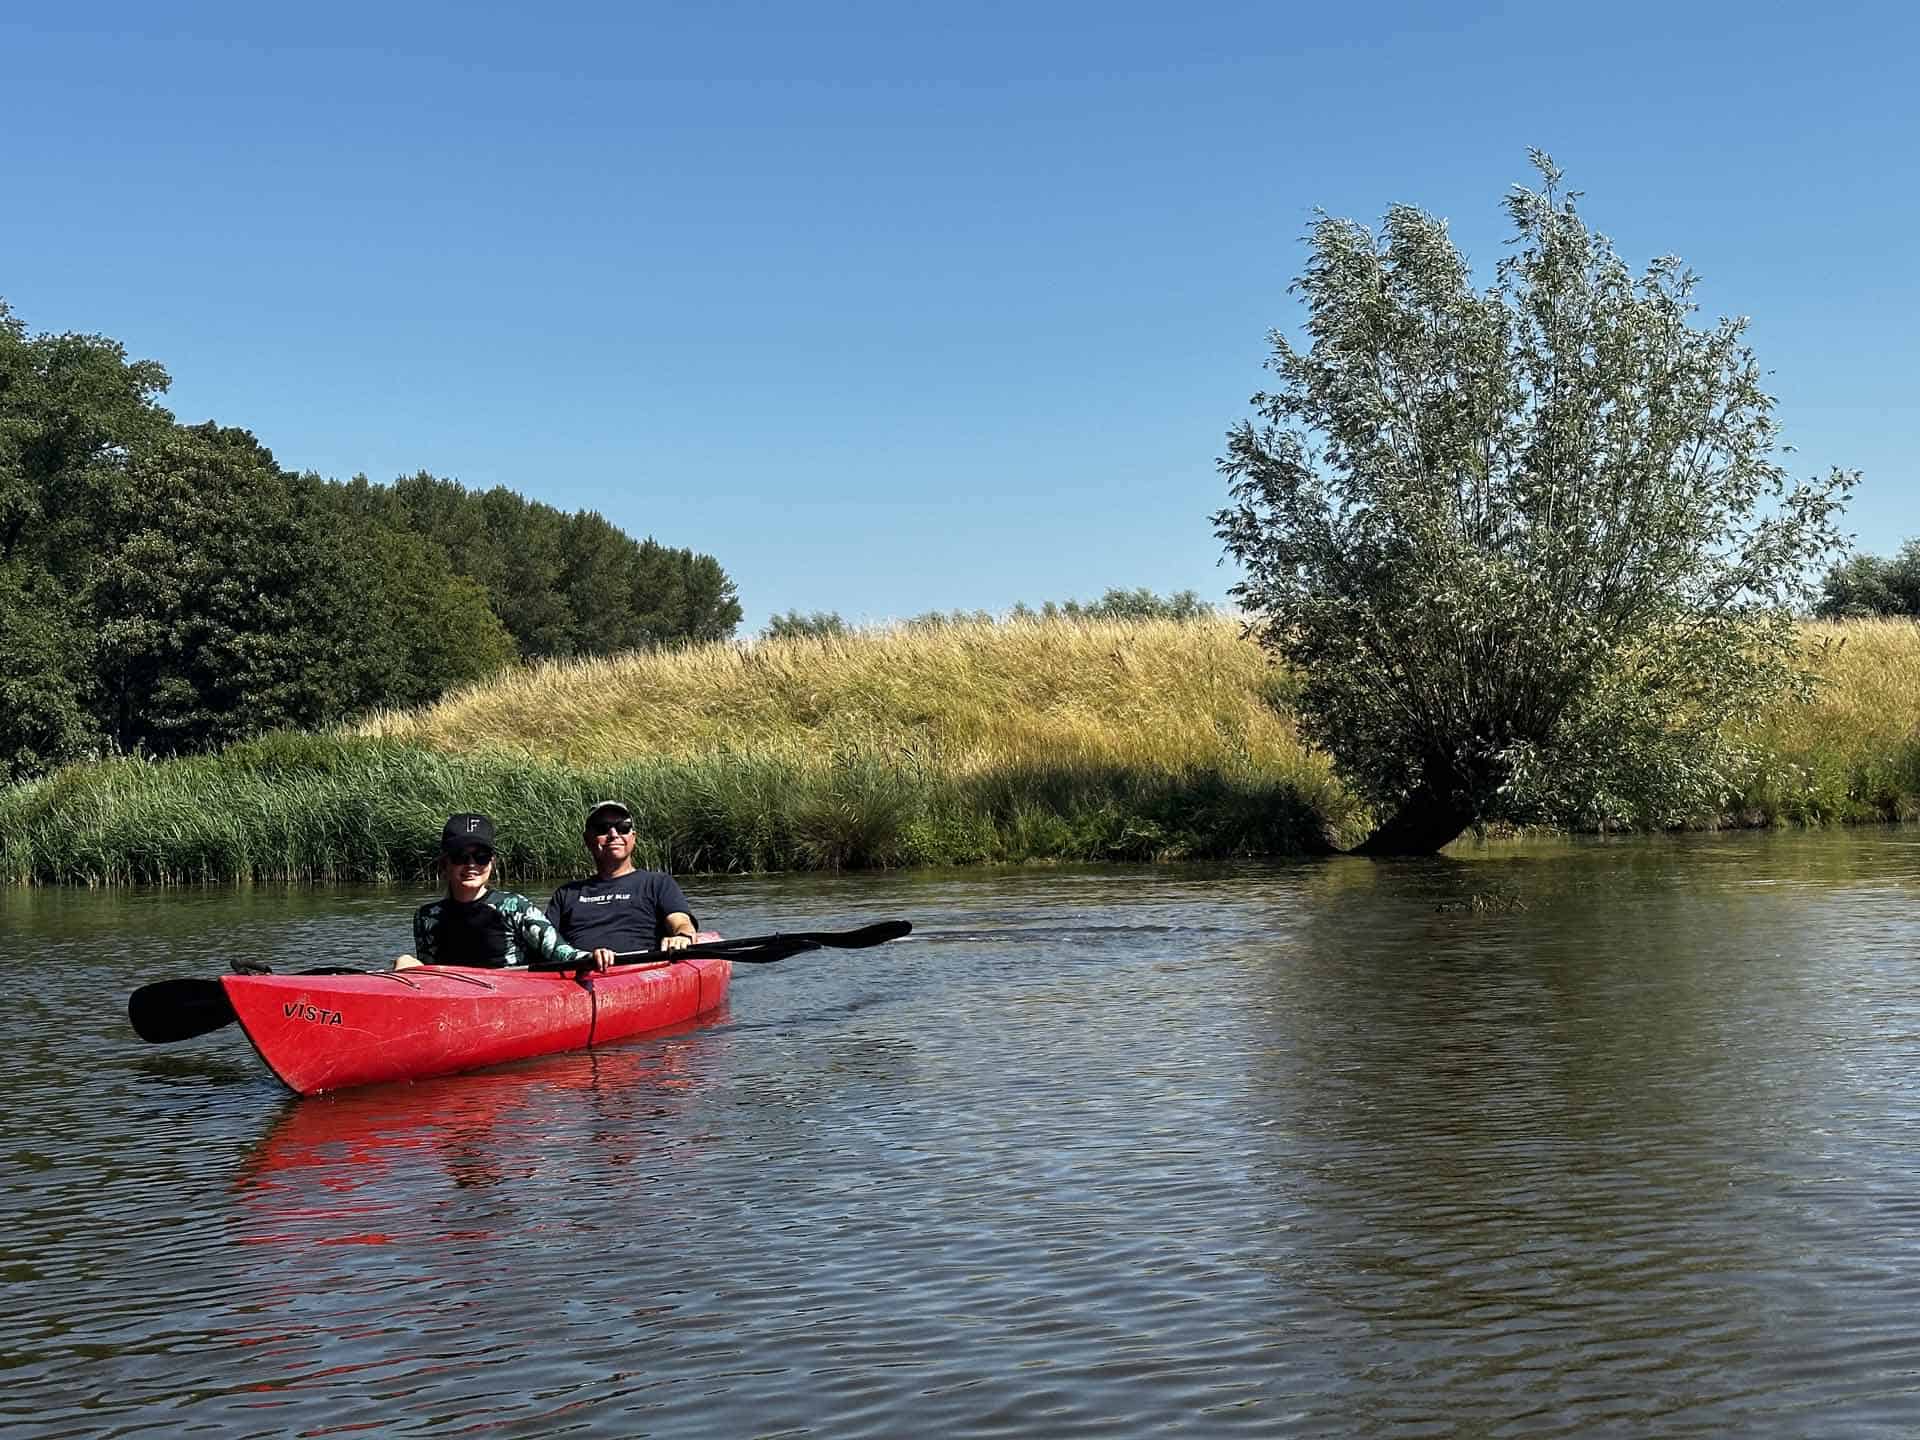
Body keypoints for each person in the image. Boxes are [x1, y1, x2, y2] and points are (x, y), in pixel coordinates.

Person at [395, 813, 617, 971]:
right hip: (452, 995)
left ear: (492, 863)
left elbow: (559, 952)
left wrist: (593, 956)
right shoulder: (426, 917)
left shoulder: (515, 906)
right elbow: (427, 974)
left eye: (481, 857)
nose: (471, 865)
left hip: (506, 995)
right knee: (404, 961)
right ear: (445, 864)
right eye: (461, 856)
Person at [546, 800, 701, 961]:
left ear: (633, 837)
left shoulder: (658, 883)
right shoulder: (566, 893)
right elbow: (544, 941)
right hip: (576, 972)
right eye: (602, 828)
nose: (613, 834)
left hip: (638, 970)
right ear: (587, 839)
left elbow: (681, 922)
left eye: (623, 827)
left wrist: (682, 937)